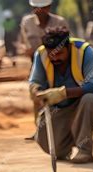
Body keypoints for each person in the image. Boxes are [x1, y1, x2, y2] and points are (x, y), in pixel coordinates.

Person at [30, 27, 93, 163]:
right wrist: (37, 92)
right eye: (51, 54)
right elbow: (35, 82)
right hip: (58, 108)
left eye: (59, 54)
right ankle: (68, 143)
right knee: (49, 144)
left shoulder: (84, 51)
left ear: (68, 47)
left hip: (84, 104)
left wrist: (63, 93)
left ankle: (84, 150)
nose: (55, 58)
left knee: (89, 99)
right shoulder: (41, 54)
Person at [20, 0, 69, 139]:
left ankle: (62, 129)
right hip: (37, 64)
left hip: (58, 65)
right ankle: (39, 130)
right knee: (36, 94)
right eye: (36, 8)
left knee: (58, 93)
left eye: (42, 8)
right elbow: (25, 41)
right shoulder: (27, 22)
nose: (39, 11)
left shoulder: (60, 22)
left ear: (49, 7)